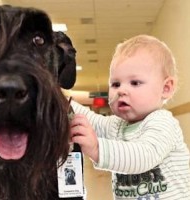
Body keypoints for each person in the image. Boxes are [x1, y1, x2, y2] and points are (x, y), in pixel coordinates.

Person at [70, 34, 190, 199]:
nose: (121, 91)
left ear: (166, 88)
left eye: (135, 83)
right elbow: (91, 121)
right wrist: (60, 101)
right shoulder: (117, 125)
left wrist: (97, 149)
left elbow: (144, 155)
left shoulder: (163, 122)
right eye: (115, 84)